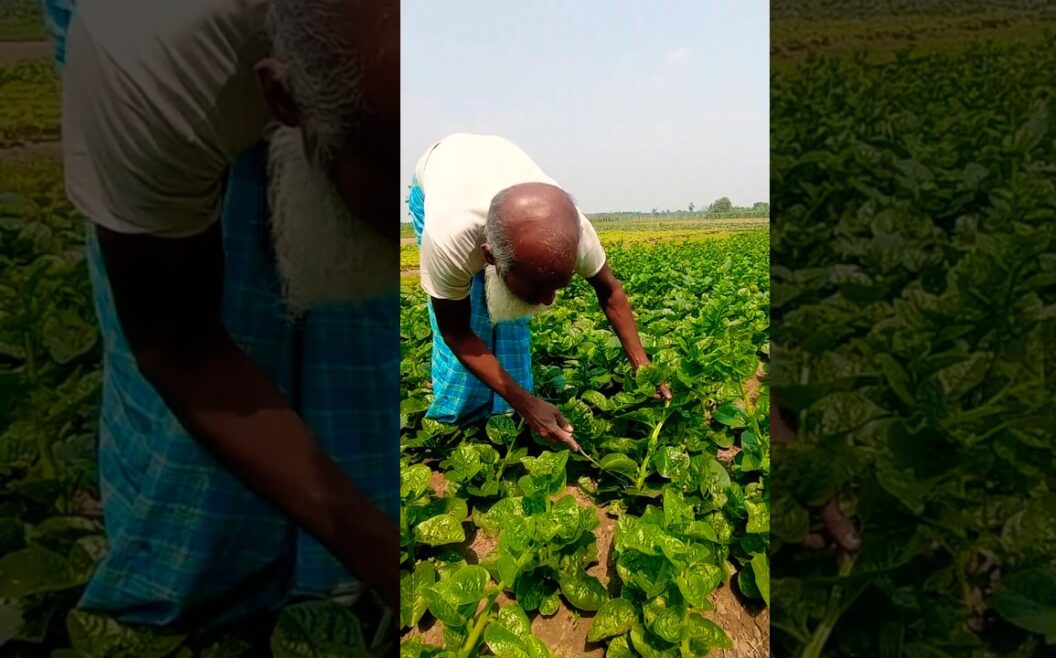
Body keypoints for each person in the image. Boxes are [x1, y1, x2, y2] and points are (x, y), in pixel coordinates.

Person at [47, 0, 401, 628]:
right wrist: (384, 554)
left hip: (319, 87)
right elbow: (179, 347)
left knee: (352, 311)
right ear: (282, 100)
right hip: (188, 59)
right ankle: (214, 572)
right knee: (232, 298)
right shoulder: (150, 62)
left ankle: (334, 578)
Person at [409, 133, 671, 451]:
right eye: (539, 288)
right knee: (474, 315)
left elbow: (610, 291)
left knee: (511, 314)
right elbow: (456, 331)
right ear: (490, 257)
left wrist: (641, 362)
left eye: (557, 287)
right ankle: (459, 421)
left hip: (494, 177)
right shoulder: (449, 236)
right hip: (438, 178)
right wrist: (528, 404)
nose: (548, 301)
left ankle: (506, 411)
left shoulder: (578, 235)